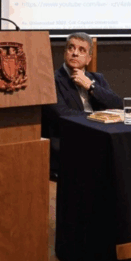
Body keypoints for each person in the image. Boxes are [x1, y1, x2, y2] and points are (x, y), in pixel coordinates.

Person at [42, 32, 121, 178]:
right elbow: (62, 115)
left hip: (98, 142)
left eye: (81, 50)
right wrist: (100, 117)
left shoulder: (97, 79)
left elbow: (118, 105)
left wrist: (91, 87)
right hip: (69, 145)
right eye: (71, 48)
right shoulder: (51, 80)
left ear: (88, 58)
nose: (75, 53)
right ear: (65, 52)